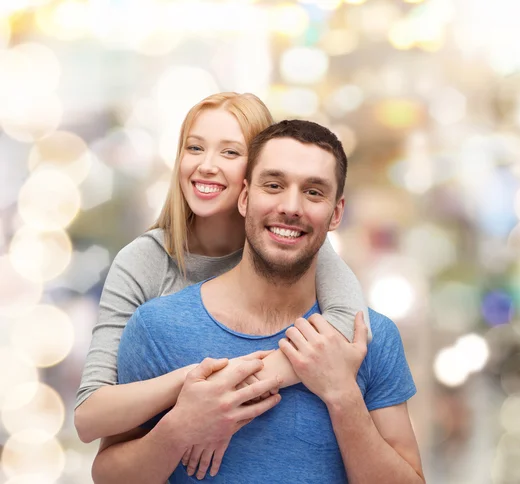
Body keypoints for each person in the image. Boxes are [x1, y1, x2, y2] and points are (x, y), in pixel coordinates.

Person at [91, 120, 424, 484]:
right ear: (245, 197)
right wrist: (179, 428)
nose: (291, 206)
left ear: (336, 213)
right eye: (274, 185)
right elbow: (108, 476)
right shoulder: (156, 328)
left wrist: (342, 395)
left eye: (314, 192)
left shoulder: (370, 339)